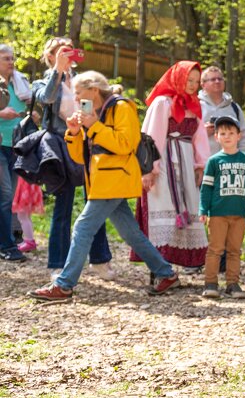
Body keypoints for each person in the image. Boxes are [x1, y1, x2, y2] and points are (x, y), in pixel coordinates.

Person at [27, 72, 180, 303]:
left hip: (115, 181)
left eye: (78, 93)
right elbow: (81, 156)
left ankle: (64, 286)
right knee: (130, 233)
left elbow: (126, 144)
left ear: (94, 90)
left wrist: (94, 126)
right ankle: (166, 274)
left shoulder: (122, 107)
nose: (75, 98)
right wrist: (75, 132)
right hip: (101, 182)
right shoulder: (92, 112)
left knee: (82, 227)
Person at [33, 37, 113, 274]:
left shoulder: (82, 81)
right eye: (61, 52)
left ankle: (99, 260)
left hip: (87, 143)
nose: (67, 55)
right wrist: (57, 70)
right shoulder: (42, 81)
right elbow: (46, 98)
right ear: (50, 56)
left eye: (70, 51)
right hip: (59, 145)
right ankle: (58, 265)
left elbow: (91, 106)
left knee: (94, 203)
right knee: (63, 206)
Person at [139, 61, 210, 269]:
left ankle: (181, 263)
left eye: (196, 81)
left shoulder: (194, 105)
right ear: (178, 78)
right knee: (163, 205)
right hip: (164, 163)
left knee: (188, 207)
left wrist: (200, 165)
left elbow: (199, 138)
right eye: (189, 80)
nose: (193, 85)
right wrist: (149, 169)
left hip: (186, 164)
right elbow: (151, 137)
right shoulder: (162, 103)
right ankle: (159, 268)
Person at [199, 115, 245, 298]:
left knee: (234, 250)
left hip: (239, 214)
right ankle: (210, 283)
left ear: (238, 136)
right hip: (217, 213)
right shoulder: (214, 161)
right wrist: (203, 209)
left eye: (231, 133)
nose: (227, 137)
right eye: (223, 133)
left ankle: (233, 284)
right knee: (215, 249)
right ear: (216, 137)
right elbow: (206, 188)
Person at [0, 43, 32, 261]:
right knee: (5, 196)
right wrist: (1, 113)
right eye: (6, 58)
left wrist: (31, 115)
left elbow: (29, 106)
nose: (11, 62)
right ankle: (7, 246)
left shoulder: (20, 83)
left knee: (8, 197)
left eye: (12, 58)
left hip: (16, 145)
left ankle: (7, 241)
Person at [199, 65, 245, 155]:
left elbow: (243, 136)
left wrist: (243, 157)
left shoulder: (234, 107)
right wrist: (202, 133)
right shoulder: (196, 106)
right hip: (203, 161)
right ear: (203, 84)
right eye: (213, 79)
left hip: (230, 161)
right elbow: (185, 137)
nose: (217, 81)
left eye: (220, 79)